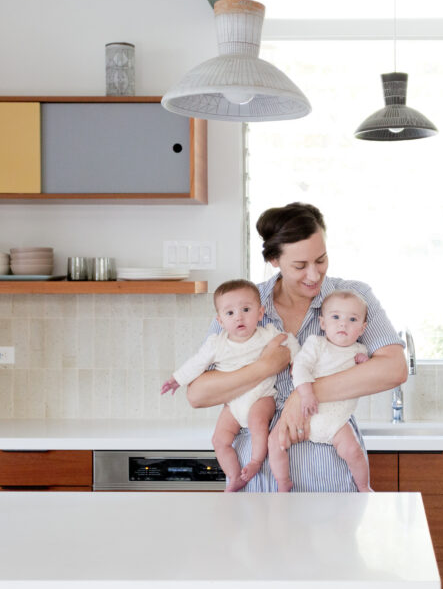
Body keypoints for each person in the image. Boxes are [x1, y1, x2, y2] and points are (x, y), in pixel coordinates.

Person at [184, 202, 407, 492]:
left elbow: (394, 368)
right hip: (259, 484)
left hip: (332, 480)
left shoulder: (353, 299)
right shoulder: (244, 304)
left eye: (321, 260)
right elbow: (198, 394)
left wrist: (301, 398)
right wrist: (264, 367)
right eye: (300, 266)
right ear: (274, 260)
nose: (314, 275)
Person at [161, 279, 299, 492]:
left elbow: (289, 340)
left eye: (246, 309)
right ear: (220, 320)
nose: (239, 317)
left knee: (257, 424)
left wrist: (295, 362)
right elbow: (197, 363)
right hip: (233, 402)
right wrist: (177, 379)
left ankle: (254, 462)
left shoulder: (268, 334)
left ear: (260, 313)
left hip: (262, 396)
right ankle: (234, 476)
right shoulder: (216, 343)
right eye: (230, 313)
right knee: (219, 439)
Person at [269, 289, 373, 492]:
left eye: (352, 319)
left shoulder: (360, 352)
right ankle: (283, 482)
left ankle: (364, 486)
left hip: (336, 420)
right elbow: (299, 367)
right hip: (303, 412)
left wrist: (364, 364)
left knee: (353, 451)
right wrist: (306, 393)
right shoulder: (316, 344)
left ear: (362, 328)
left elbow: (366, 379)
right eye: (336, 317)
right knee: (275, 442)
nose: (343, 324)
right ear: (323, 323)